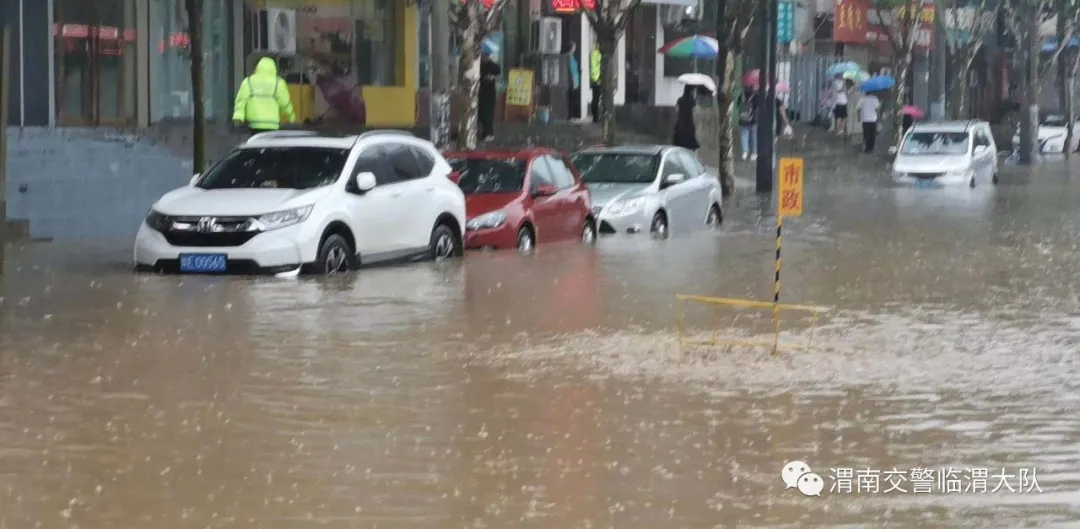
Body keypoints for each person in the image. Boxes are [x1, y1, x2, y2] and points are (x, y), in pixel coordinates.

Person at [232, 57, 296, 135]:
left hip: (254, 124)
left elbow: (241, 100)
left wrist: (238, 116)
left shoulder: (248, 81)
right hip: (272, 125)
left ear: (258, 68)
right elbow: (285, 103)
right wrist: (291, 117)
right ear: (274, 68)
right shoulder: (278, 83)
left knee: (256, 144)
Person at [478, 51, 501, 141]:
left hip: (484, 93)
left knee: (486, 113)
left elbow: (498, 78)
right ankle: (488, 133)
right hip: (489, 93)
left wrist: (491, 77)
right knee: (488, 113)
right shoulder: (493, 66)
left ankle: (487, 133)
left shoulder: (482, 66)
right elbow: (498, 78)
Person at [672, 85, 700, 151]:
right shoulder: (692, 101)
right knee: (690, 148)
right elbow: (695, 113)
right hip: (689, 127)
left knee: (679, 148)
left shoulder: (680, 100)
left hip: (680, 126)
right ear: (690, 91)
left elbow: (676, 111)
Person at [739, 86, 758, 161]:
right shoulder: (757, 95)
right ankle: (754, 153)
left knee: (744, 135)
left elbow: (738, 105)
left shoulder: (742, 95)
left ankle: (745, 152)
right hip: (754, 120)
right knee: (754, 137)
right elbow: (758, 107)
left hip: (743, 119)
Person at [567, 42, 581, 121]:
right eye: (574, 47)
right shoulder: (570, 57)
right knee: (572, 99)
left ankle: (571, 116)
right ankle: (571, 116)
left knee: (573, 98)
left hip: (574, 80)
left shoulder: (571, 56)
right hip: (573, 81)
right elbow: (572, 70)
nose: (575, 49)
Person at [589, 45, 601, 123]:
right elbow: (596, 67)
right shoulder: (597, 54)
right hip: (597, 80)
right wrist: (597, 78)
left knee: (595, 99)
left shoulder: (593, 54)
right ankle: (595, 117)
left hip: (594, 79)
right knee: (596, 99)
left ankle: (595, 116)